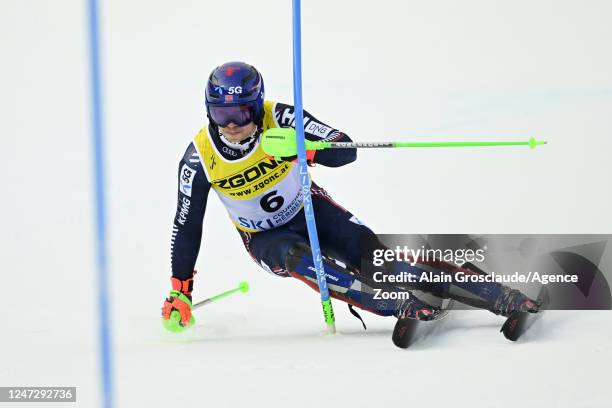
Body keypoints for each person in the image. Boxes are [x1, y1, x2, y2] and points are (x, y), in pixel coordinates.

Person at [161, 61, 540, 332]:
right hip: (265, 237)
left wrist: (303, 149)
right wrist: (181, 290)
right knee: (302, 260)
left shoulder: (283, 117)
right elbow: (186, 226)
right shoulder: (198, 159)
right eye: (220, 113)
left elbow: (345, 148)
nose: (231, 126)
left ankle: (499, 295)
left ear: (257, 107)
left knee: (379, 262)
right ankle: (395, 304)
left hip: (310, 208)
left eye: (241, 113)